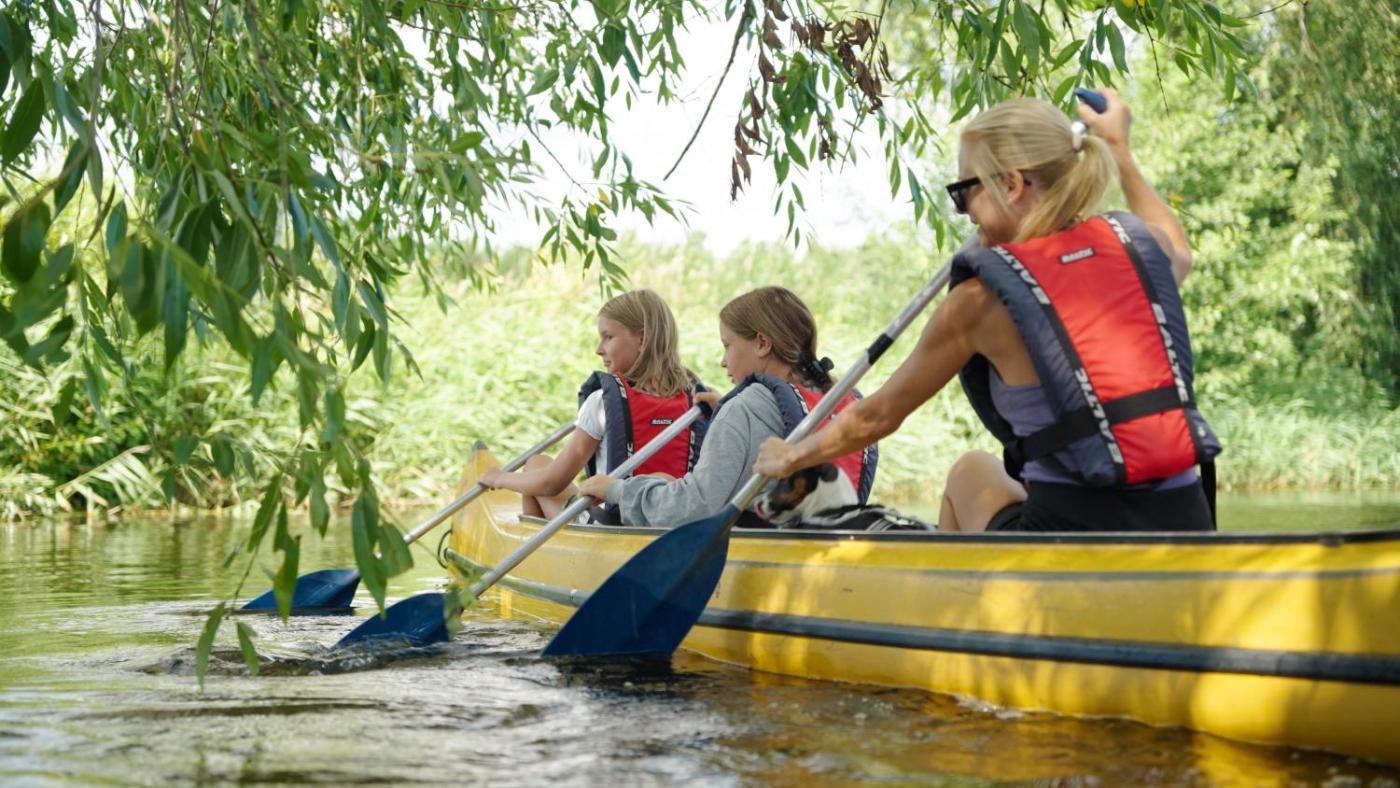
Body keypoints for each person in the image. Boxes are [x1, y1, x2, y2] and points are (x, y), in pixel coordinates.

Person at [755, 88, 1221, 532]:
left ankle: (956, 588)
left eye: (964, 192)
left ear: (1012, 185)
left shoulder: (979, 302)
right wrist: (1119, 148)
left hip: (1069, 534)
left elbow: (877, 417)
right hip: (1187, 520)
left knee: (970, 470)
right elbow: (1179, 247)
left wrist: (792, 456)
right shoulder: (1139, 252)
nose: (964, 213)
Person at [578, 286, 876, 527]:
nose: (723, 362)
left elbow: (692, 509)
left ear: (762, 344)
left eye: (727, 345)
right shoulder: (839, 402)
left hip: (746, 564)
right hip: (822, 551)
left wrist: (617, 490)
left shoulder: (745, 408)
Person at [479, 289, 706, 523]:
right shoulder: (697, 402)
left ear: (642, 338)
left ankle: (536, 542)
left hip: (610, 530)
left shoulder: (601, 403)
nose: (599, 349)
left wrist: (500, 478)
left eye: (608, 337)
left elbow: (550, 483)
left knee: (535, 466)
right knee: (538, 462)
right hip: (673, 524)